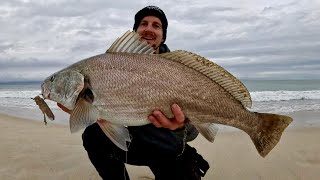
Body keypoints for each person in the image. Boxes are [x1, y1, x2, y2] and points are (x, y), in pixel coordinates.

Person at [59, 5, 209, 180]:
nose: (149, 29)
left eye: (156, 25)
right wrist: (87, 112)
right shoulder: (111, 66)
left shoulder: (178, 72)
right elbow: (95, 111)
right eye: (143, 23)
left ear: (163, 35)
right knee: (92, 135)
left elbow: (192, 134)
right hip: (133, 145)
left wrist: (180, 126)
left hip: (168, 149)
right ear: (135, 31)